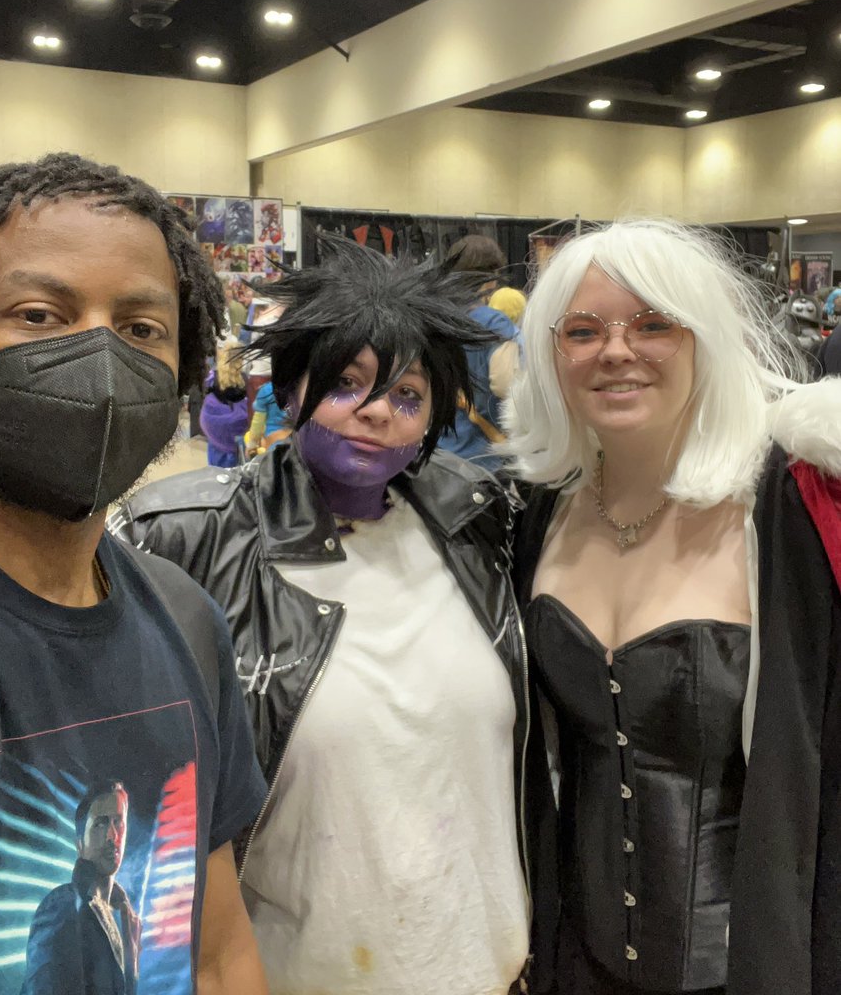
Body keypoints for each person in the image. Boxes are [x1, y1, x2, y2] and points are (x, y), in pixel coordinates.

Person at [109, 236, 538, 995]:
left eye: (407, 397)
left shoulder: (480, 522)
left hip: (483, 966)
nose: (376, 412)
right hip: (288, 972)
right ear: (294, 387)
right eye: (347, 383)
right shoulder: (183, 537)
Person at [0, 154, 268, 995]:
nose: (99, 355)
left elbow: (216, 952)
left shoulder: (186, 620)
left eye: (141, 328)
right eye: (39, 315)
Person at [507, 219, 841, 995]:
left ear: (704, 338)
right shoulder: (535, 514)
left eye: (653, 324)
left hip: (754, 961)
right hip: (574, 962)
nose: (616, 350)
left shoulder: (791, 506)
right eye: (583, 331)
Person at [22, 780, 140, 995]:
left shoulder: (126, 917)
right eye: (100, 824)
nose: (112, 836)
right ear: (79, 844)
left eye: (118, 822)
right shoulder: (61, 906)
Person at [436, 234, 521, 471]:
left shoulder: (437, 318)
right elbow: (508, 385)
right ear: (489, 277)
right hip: (484, 455)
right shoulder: (494, 323)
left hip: (440, 450)